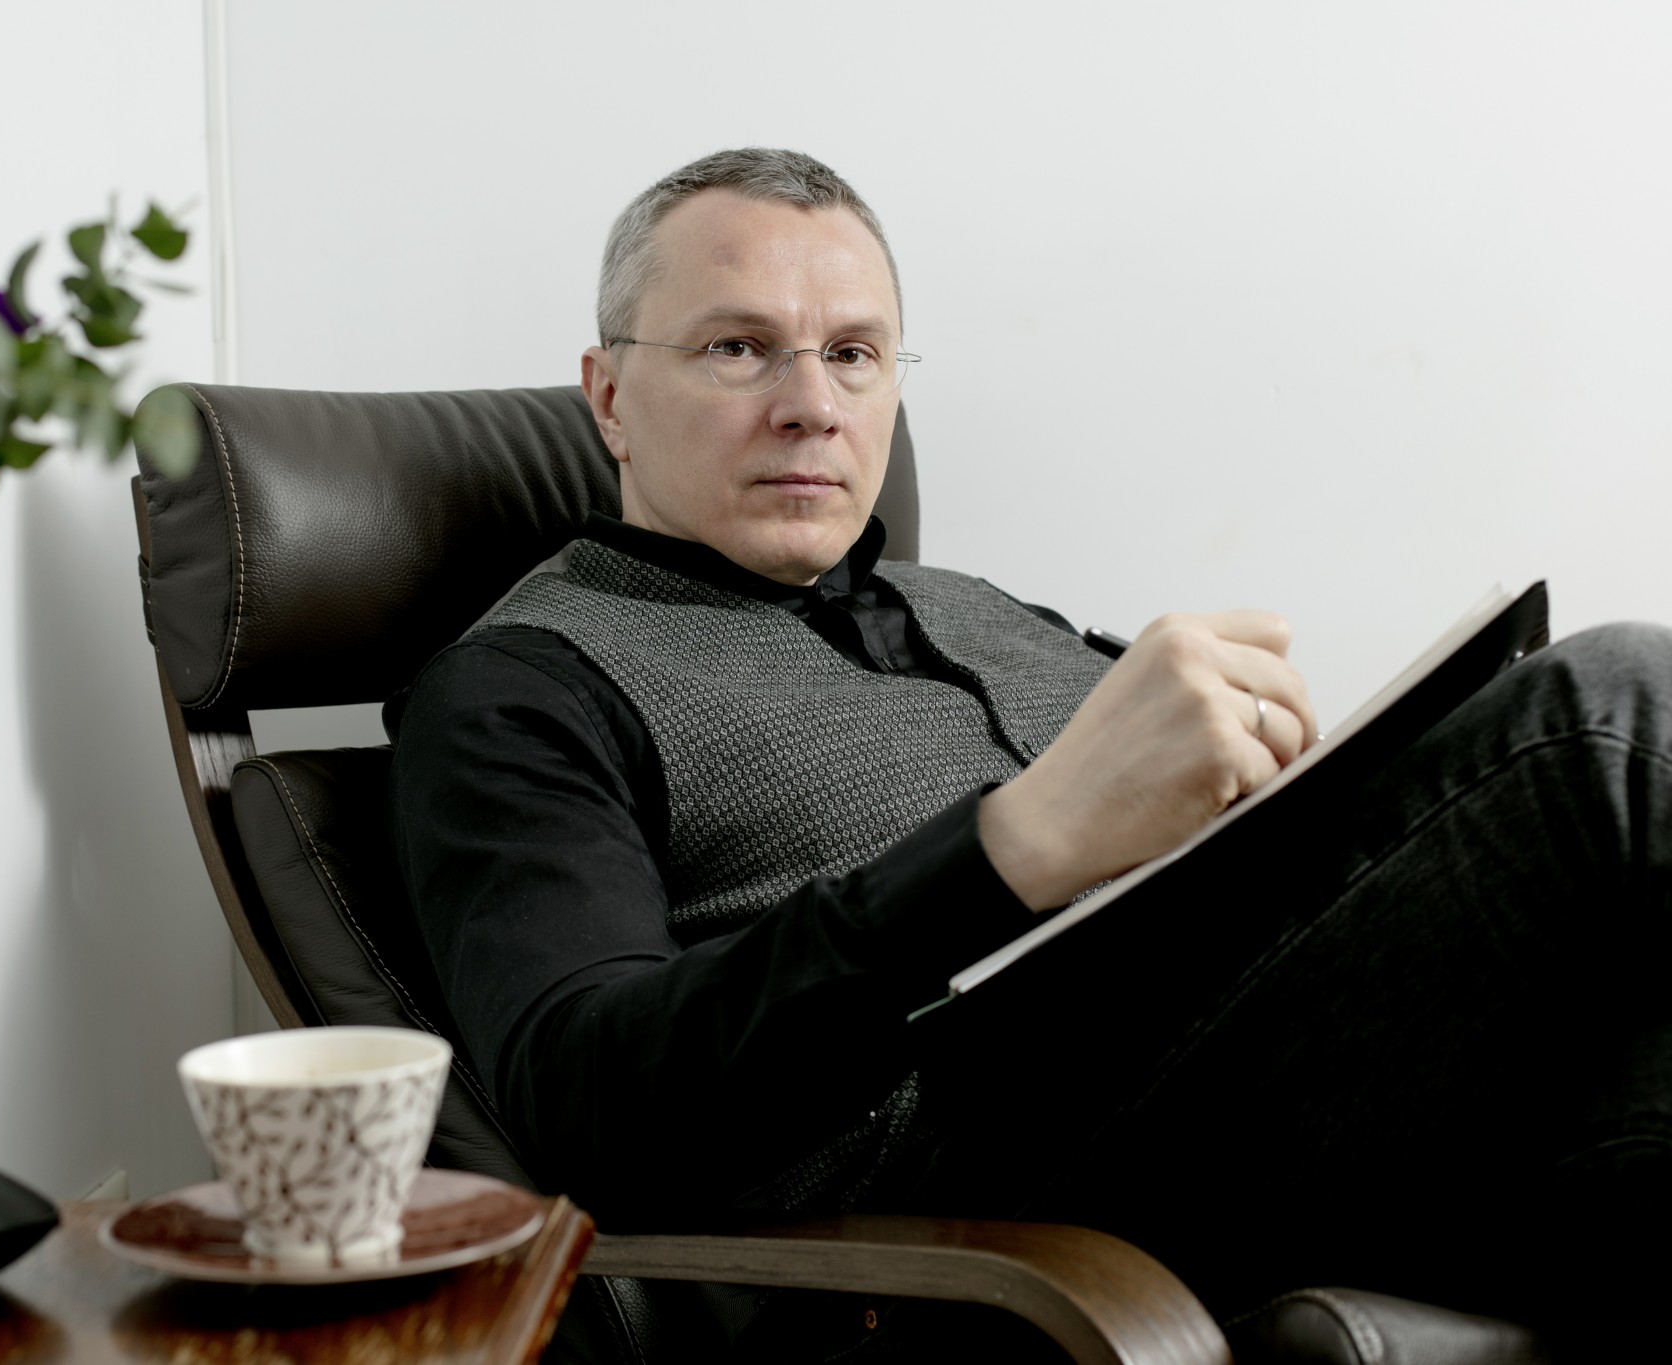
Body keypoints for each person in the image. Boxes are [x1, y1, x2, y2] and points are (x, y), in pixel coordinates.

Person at [386, 147, 1670, 1359]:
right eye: (738, 348)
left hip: (1276, 1103)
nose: (811, 407)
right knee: (1606, 712)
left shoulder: (985, 609)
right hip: (982, 1246)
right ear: (609, 395)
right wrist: (1009, 847)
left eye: (852, 354)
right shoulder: (519, 688)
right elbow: (591, 1100)